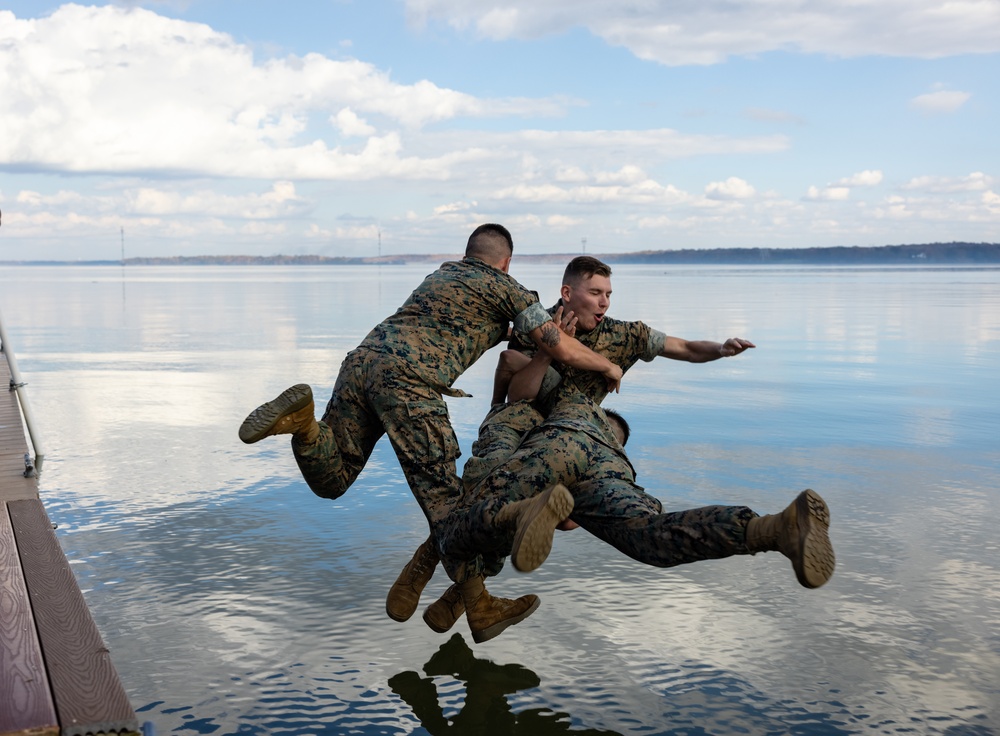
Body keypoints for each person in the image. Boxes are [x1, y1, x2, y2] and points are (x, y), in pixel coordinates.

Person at [238, 224, 624, 643]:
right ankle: (478, 605)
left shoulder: (439, 276)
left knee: (334, 478)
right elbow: (557, 346)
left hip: (362, 362)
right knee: (447, 506)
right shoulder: (508, 288)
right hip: (410, 382)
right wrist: (607, 366)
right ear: (506, 262)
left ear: (468, 253)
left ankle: (305, 426)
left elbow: (502, 333)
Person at [387, 255, 756, 629]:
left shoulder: (624, 335)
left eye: (608, 294)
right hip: (516, 423)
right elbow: (518, 393)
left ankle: (460, 596)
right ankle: (436, 575)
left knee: (547, 515)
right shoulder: (537, 325)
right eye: (595, 292)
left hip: (568, 440)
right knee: (487, 486)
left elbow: (685, 348)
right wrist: (552, 352)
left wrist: (720, 350)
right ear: (567, 292)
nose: (604, 302)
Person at [419, 393, 835, 638]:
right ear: (622, 438)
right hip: (608, 472)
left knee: (458, 525)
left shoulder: (574, 401)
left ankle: (511, 526)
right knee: (649, 535)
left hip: (562, 443)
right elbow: (570, 520)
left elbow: (520, 378)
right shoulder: (618, 455)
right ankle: (772, 529)